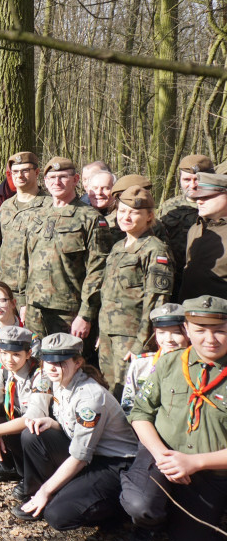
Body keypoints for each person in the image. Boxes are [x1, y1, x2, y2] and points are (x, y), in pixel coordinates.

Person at [120, 295, 227, 541]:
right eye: (201, 330)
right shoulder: (169, 363)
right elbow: (140, 413)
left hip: (211, 469)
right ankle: (150, 523)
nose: (210, 339)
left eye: (220, 331)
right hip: (162, 457)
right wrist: (162, 456)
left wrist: (194, 462)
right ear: (187, 330)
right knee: (139, 503)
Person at [12, 333, 137, 529]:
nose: (52, 367)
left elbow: (80, 457)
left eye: (61, 362)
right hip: (88, 453)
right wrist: (52, 423)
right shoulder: (58, 381)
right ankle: (35, 497)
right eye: (47, 361)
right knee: (33, 435)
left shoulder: (90, 397)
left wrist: (46, 490)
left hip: (114, 463)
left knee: (58, 515)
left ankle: (119, 508)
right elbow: (74, 431)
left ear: (77, 363)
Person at [21, 157, 111, 359]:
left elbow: (98, 271)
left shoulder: (90, 219)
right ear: (45, 182)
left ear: (76, 179)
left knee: (70, 368)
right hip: (35, 310)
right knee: (35, 367)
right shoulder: (37, 216)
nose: (57, 182)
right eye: (51, 177)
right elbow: (24, 261)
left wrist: (85, 315)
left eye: (63, 177)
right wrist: (22, 302)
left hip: (69, 313)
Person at [97, 186, 173, 397]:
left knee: (128, 397)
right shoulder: (118, 247)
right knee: (108, 392)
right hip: (108, 334)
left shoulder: (155, 249)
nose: (126, 217)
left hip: (132, 337)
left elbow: (157, 301)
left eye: (134, 212)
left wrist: (142, 343)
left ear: (149, 216)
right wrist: (102, 332)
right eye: (122, 211)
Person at [0, 326, 52, 489]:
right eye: (4, 353)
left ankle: (34, 477)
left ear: (28, 354)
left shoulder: (40, 374)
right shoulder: (4, 369)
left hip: (42, 433)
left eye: (16, 355)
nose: (8, 359)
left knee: (29, 434)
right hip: (19, 422)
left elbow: (33, 417)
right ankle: (15, 468)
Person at [157, 155, 213, 297]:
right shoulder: (168, 207)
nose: (192, 185)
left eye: (198, 180)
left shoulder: (217, 206)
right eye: (187, 180)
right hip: (174, 280)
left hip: (209, 280)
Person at [0, 151, 46, 309]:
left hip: (36, 289)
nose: (19, 175)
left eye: (25, 170)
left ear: (37, 172)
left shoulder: (49, 206)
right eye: (15, 172)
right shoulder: (6, 207)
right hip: (5, 288)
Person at [119, 304, 187, 414]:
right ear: (155, 333)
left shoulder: (197, 365)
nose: (168, 339)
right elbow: (128, 406)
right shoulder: (141, 364)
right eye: (162, 333)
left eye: (176, 332)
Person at [179, 170, 227, 301]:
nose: (199, 202)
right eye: (198, 197)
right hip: (191, 314)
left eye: (207, 197)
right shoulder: (195, 229)